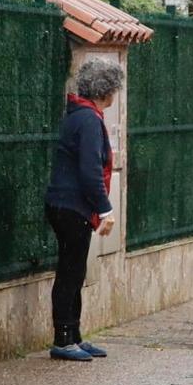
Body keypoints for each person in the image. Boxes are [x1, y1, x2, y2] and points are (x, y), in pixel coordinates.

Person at [44, 60, 123, 361]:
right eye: (114, 88)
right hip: (71, 205)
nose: (115, 94)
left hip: (66, 204)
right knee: (70, 271)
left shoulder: (80, 115)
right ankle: (64, 338)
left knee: (75, 270)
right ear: (106, 91)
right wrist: (105, 209)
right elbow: (90, 170)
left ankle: (74, 334)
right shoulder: (89, 120)